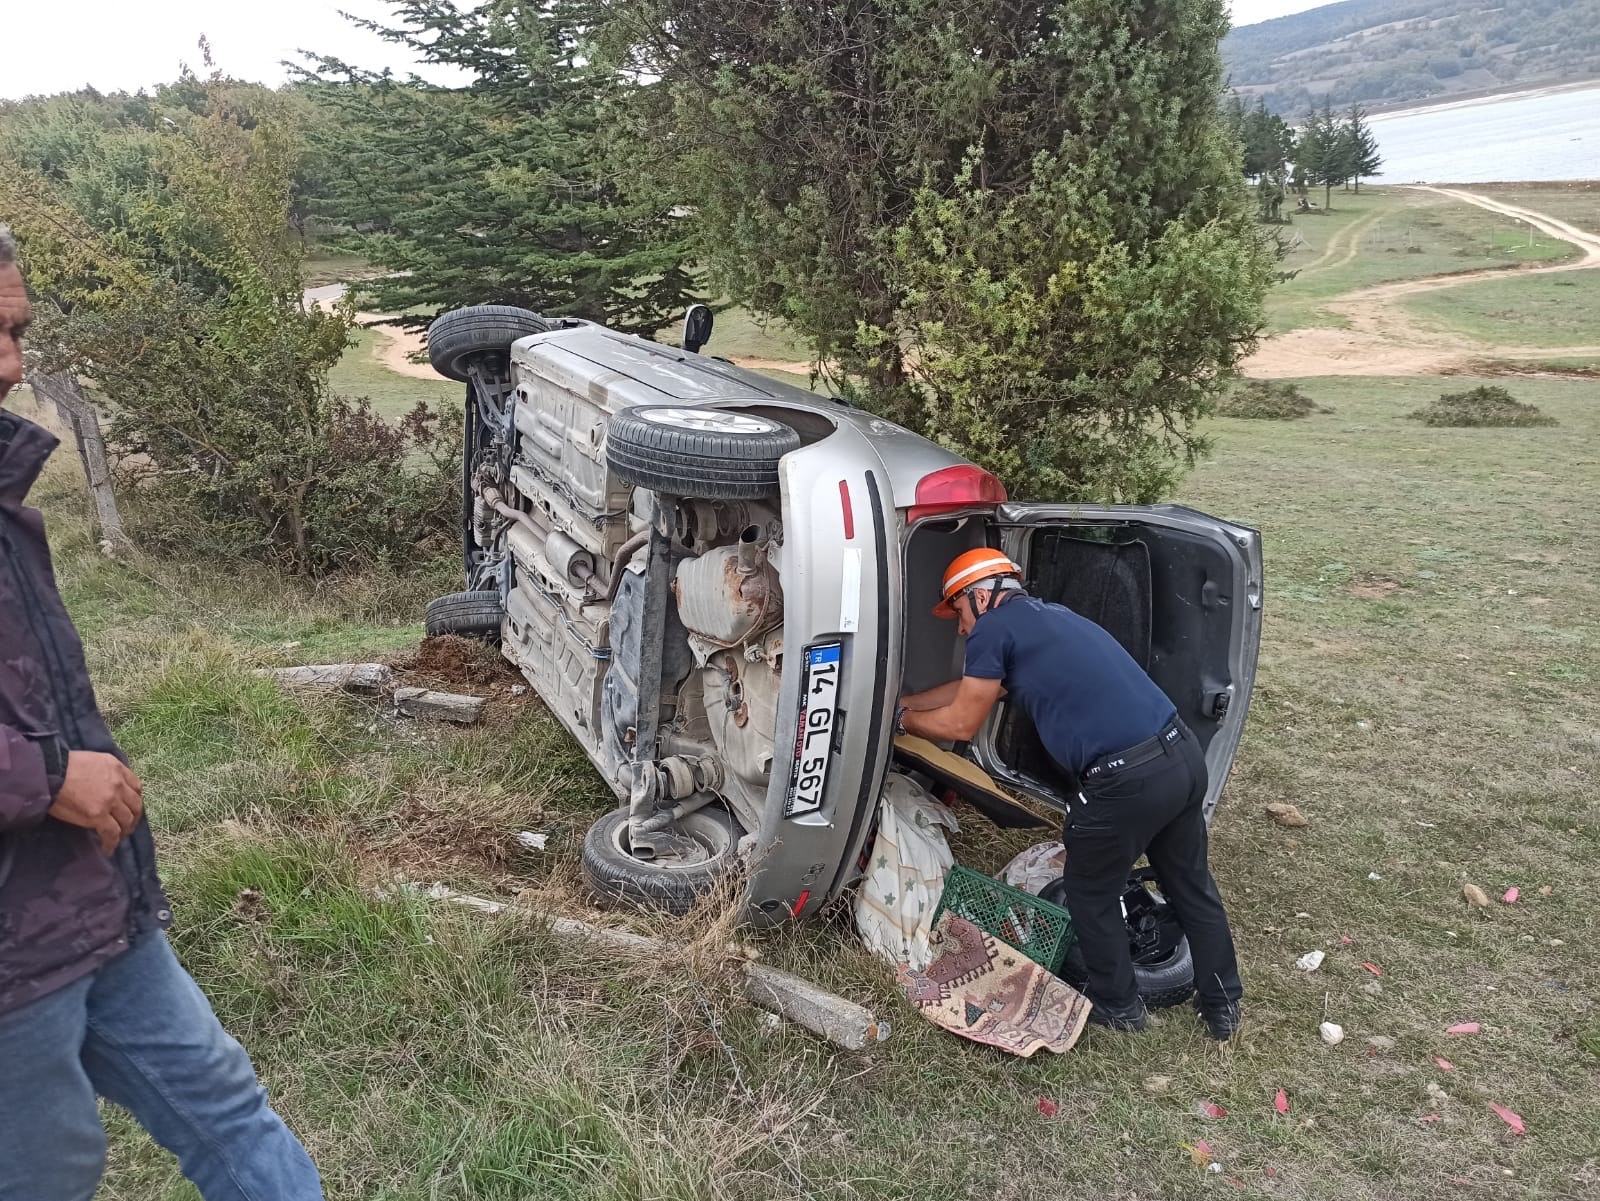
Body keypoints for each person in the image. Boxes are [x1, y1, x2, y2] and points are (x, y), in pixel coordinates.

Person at [0, 225, 324, 1199]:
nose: (8, 366)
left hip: (91, 903)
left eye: (13, 331)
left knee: (226, 1108)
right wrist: (48, 777)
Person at [896, 547, 1243, 1038]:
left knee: (1090, 892)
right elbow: (969, 689)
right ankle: (1223, 1003)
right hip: (1179, 756)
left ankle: (1120, 1008)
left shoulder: (993, 629)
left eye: (957, 612)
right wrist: (903, 702)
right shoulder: (1047, 617)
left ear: (980, 596)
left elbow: (962, 721)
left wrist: (900, 722)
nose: (960, 628)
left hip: (1125, 779)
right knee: (1190, 883)